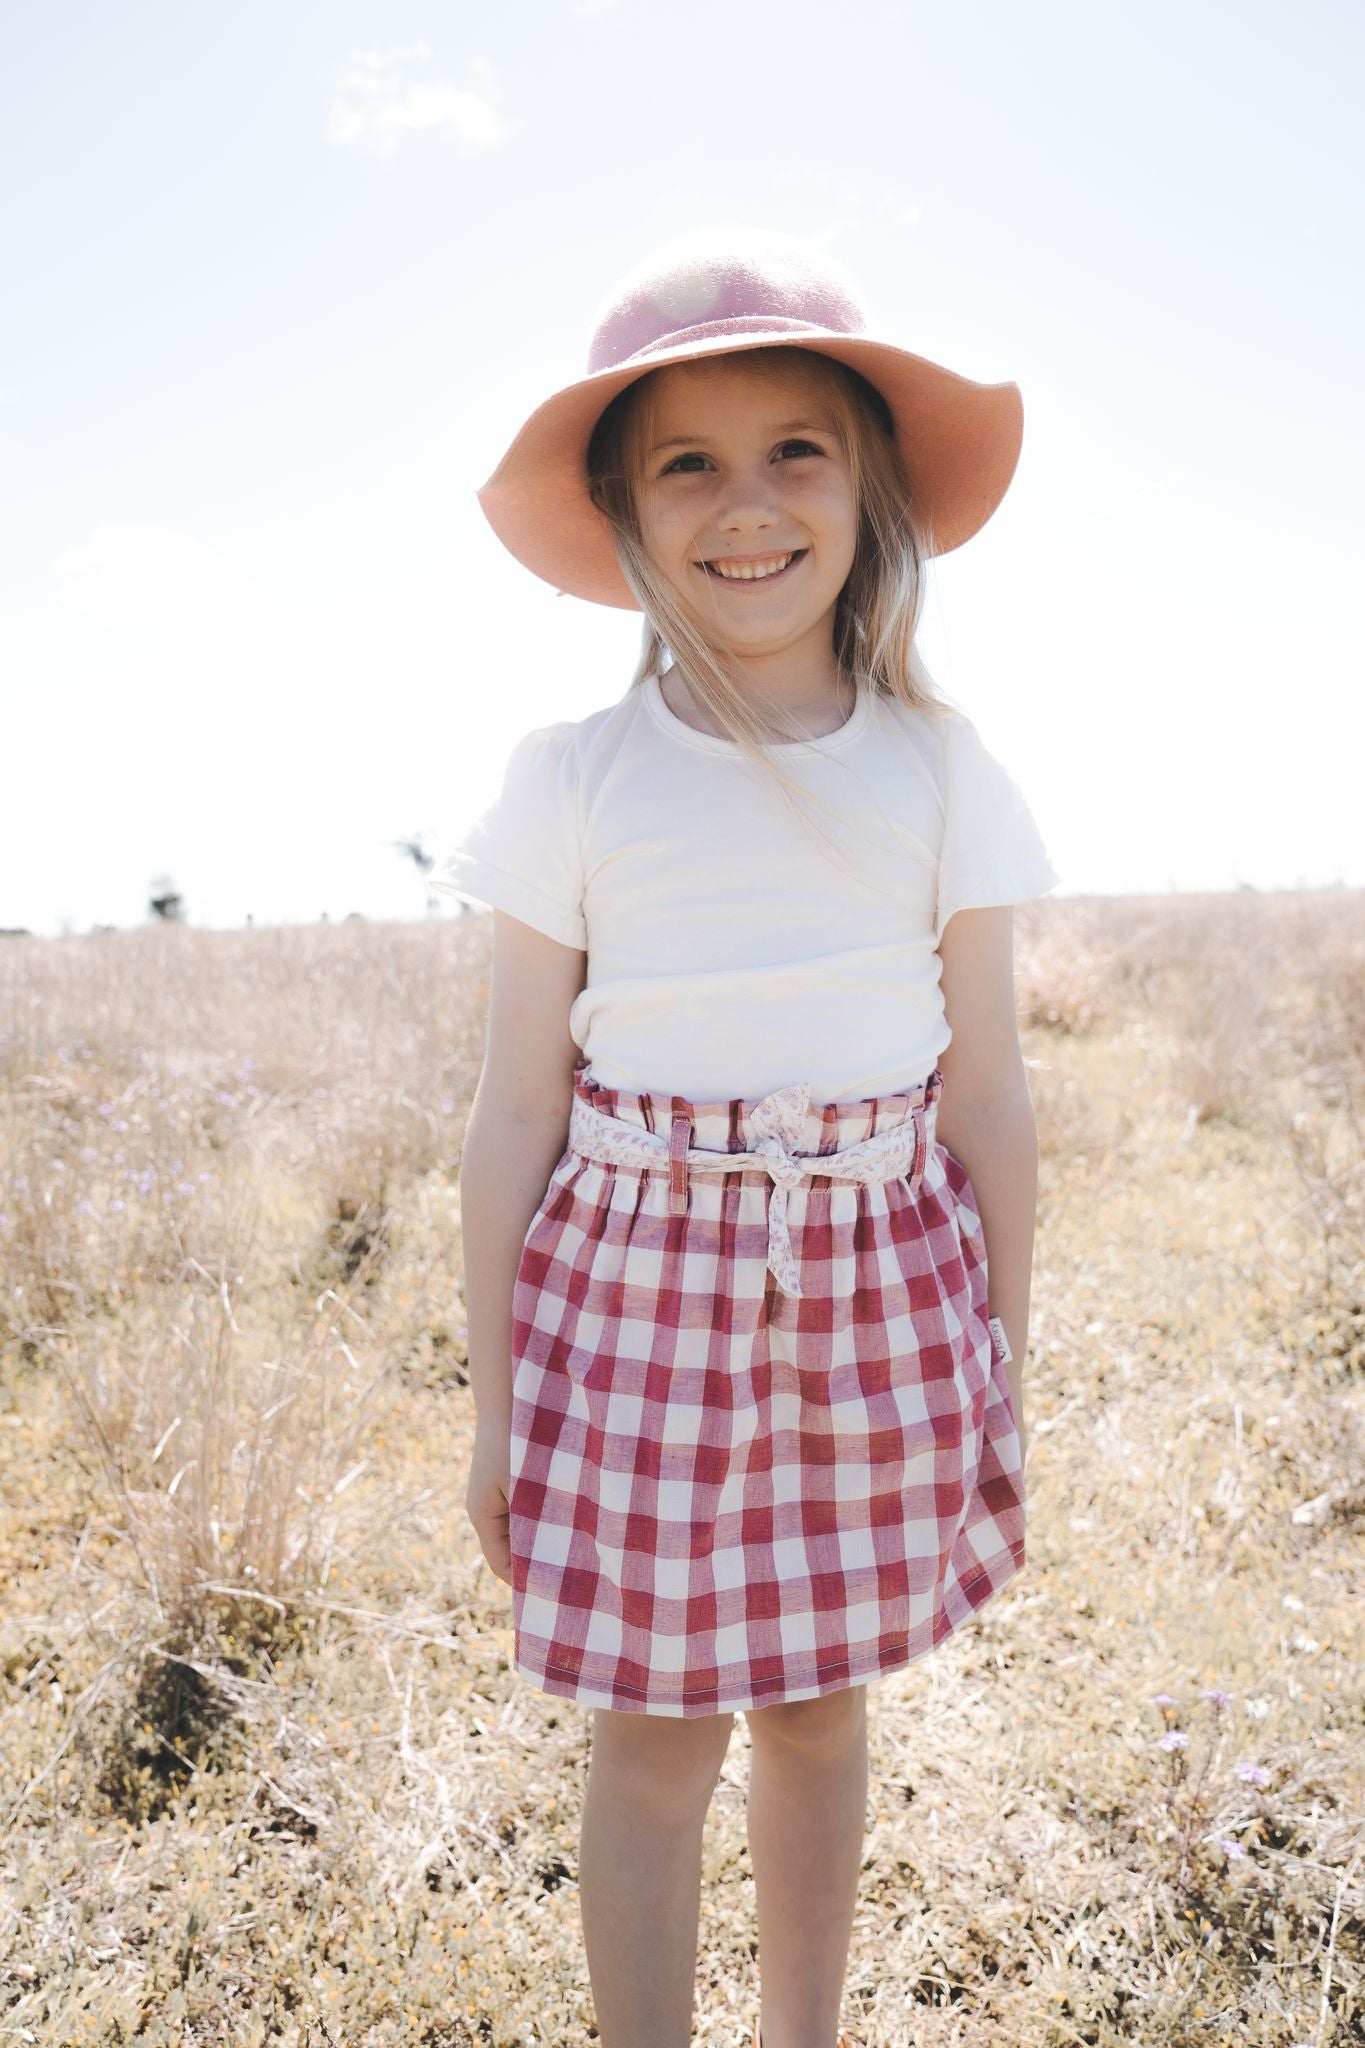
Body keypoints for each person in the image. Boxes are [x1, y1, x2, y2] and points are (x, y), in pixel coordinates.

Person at [437, 226, 1061, 2048]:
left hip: (881, 1280)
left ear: (866, 486)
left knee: (815, 1708)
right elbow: (512, 1111)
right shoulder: (574, 777)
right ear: (629, 513)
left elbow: (993, 1098)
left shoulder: (943, 772)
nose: (746, 504)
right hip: (635, 1288)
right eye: (686, 462)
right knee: (650, 1734)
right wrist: (492, 1405)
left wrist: (1006, 1356)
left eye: (794, 446)